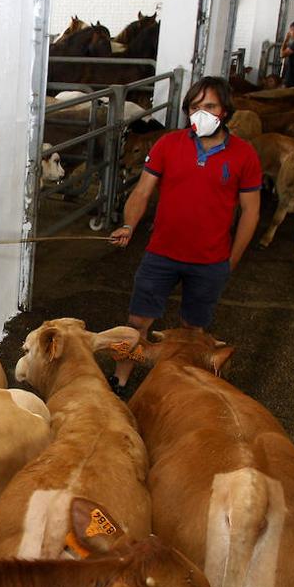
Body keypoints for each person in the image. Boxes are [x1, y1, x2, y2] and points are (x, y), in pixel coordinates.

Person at [107, 76, 263, 392]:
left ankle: (177, 386)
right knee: (136, 323)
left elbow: (251, 212)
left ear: (225, 111)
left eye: (209, 106)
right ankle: (118, 379)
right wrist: (129, 225)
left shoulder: (244, 156)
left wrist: (231, 259)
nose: (200, 113)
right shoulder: (168, 144)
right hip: (161, 253)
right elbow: (143, 191)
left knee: (193, 330)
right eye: (194, 107)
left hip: (209, 260)